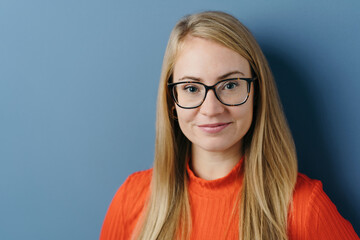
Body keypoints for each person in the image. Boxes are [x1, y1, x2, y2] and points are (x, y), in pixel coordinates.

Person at [100, 11, 359, 240]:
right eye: (191, 88)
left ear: (257, 93)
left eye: (230, 85)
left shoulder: (303, 207)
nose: (212, 109)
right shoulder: (130, 199)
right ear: (173, 101)